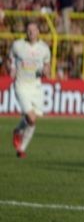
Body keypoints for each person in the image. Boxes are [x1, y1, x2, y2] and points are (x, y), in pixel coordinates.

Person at [9, 22, 51, 158]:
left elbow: (47, 66)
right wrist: (13, 68)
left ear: (38, 31)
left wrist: (46, 71)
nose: (31, 33)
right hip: (21, 85)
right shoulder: (18, 45)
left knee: (32, 120)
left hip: (36, 86)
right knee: (31, 118)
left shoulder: (44, 48)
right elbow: (11, 56)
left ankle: (18, 132)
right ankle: (21, 150)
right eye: (28, 30)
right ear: (26, 32)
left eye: (33, 30)